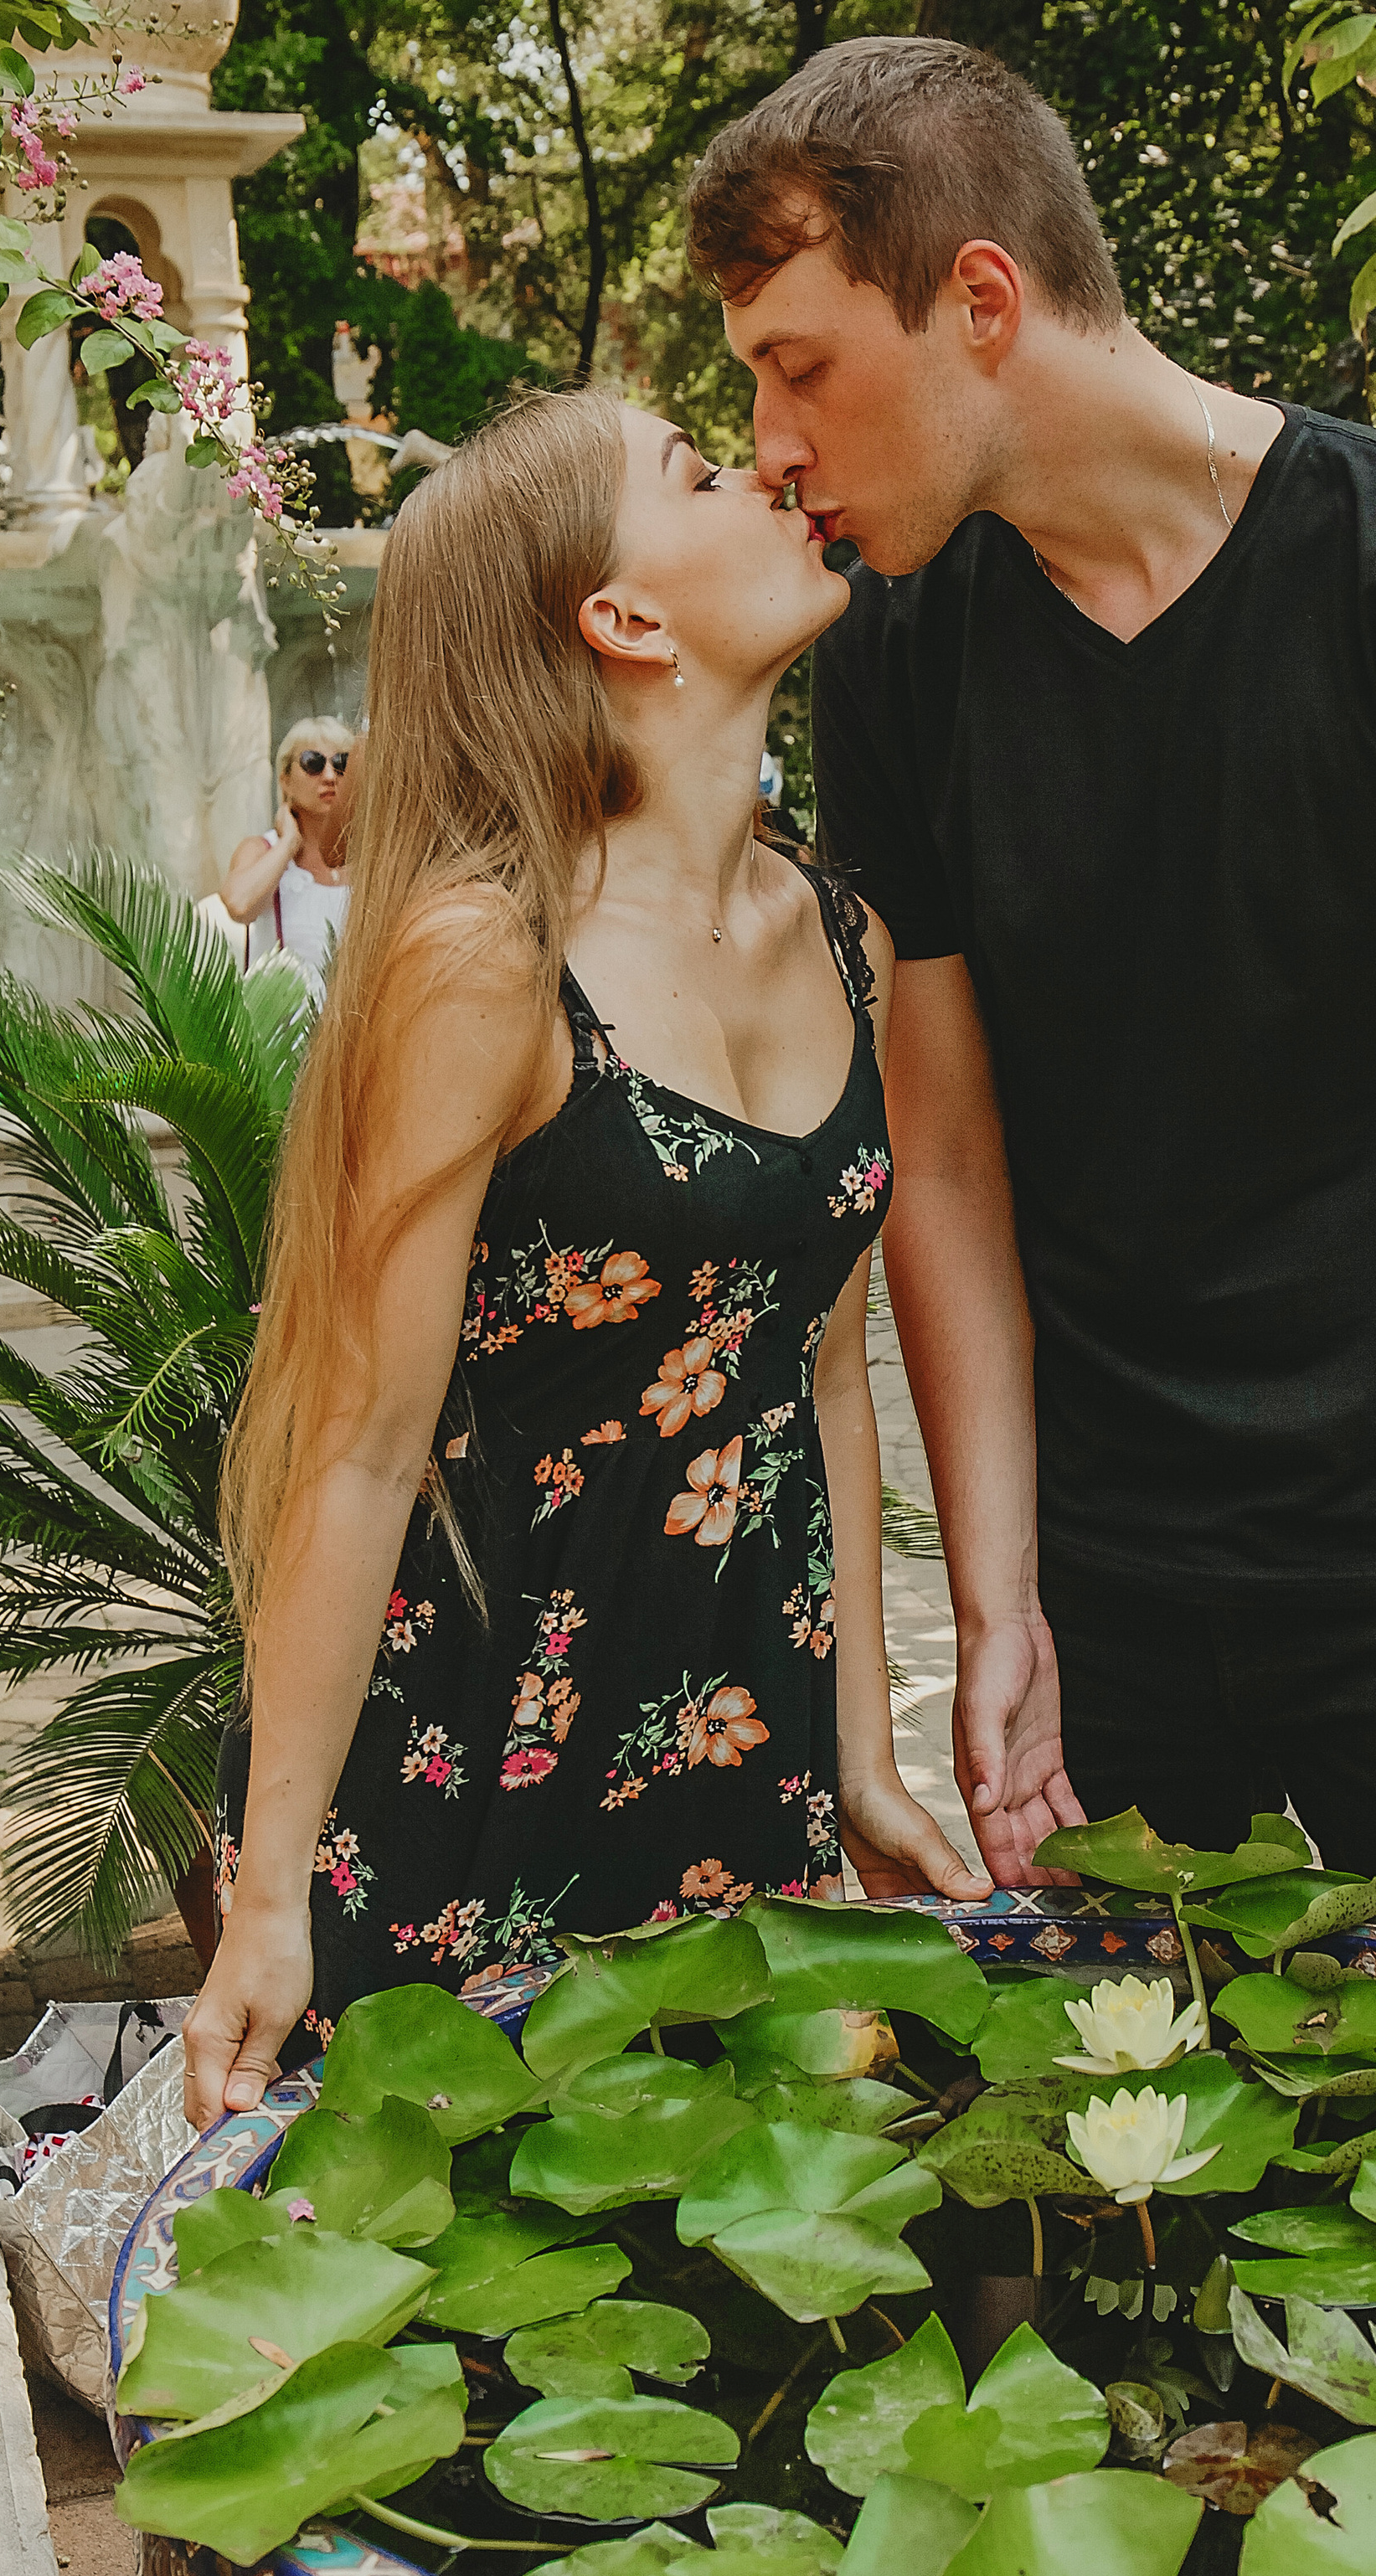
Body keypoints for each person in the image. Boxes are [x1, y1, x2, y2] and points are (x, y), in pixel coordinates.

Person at [686, 39, 1376, 1928]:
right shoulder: (896, 649)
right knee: (1118, 2203)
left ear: (980, 300)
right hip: (1110, 1597)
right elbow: (949, 1166)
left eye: (799, 367)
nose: (772, 446)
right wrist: (998, 1610)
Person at [182, 384, 984, 2130]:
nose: (770, 469)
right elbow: (357, 1447)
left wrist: (856, 1752)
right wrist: (263, 1900)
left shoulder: (848, 938)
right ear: (618, 620)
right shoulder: (490, 958)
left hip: (735, 1748)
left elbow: (827, 1377)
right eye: (698, 472)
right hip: (473, 1766)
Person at [219, 716, 356, 980]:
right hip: (286, 1019)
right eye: (313, 763)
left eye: (341, 764)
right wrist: (289, 843)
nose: (329, 776)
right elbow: (239, 905)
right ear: (286, 780)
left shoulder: (369, 856)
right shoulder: (261, 849)